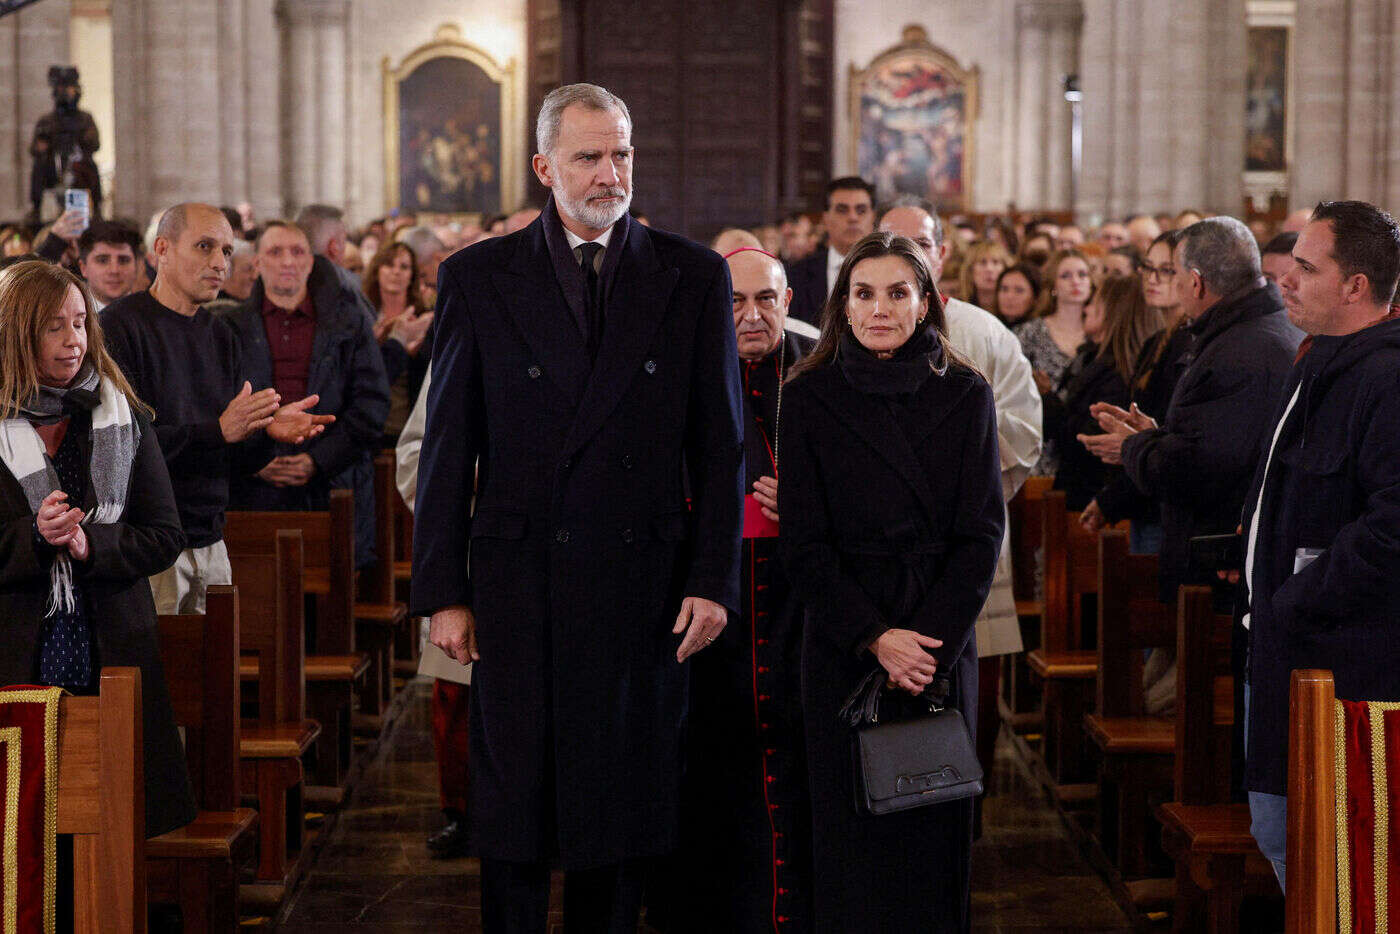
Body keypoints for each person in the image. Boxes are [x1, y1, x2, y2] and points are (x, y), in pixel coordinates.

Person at [411, 83, 743, 934]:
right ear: (543, 167)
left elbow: (720, 445)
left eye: (622, 154)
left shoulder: (694, 275)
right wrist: (443, 591)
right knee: (517, 807)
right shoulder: (478, 277)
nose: (609, 174)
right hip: (521, 581)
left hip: (645, 582)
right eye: (589, 157)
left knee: (620, 808)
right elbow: (450, 446)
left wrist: (714, 578)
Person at [778, 231, 1003, 933]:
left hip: (936, 641)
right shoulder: (809, 394)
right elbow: (804, 539)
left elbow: (980, 536)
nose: (881, 308)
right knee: (848, 844)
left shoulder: (966, 393)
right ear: (842, 305)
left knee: (931, 841)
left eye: (898, 292)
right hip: (846, 642)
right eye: (864, 293)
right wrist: (876, 636)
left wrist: (920, 644)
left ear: (926, 301)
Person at [0, 260, 195, 838]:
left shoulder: (120, 415)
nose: (74, 341)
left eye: (81, 322)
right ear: (15, 333)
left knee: (112, 823)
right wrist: (34, 537)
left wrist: (92, 544)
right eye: (54, 326)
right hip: (13, 652)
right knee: (21, 831)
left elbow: (164, 534)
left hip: (111, 645)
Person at [1240, 201, 1400, 888]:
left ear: (1355, 285)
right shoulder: (1318, 361)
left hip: (1341, 670)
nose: (1286, 279)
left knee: (1332, 869)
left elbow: (1391, 528)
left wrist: (1292, 598)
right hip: (1288, 653)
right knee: (1282, 840)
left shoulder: (1386, 379)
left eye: (1306, 267)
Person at [659, 246, 814, 933]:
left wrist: (810, 503)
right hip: (709, 595)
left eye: (766, 300)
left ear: (788, 303)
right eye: (735, 302)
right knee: (710, 760)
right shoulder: (680, 373)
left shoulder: (820, 378)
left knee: (792, 754)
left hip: (796, 603)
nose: (751, 316)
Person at [880, 204, 1041, 833]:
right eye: (894, 243)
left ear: (943, 256)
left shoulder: (983, 332)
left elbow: (1024, 436)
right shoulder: (861, 326)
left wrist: (960, 477)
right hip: (884, 554)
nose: (911, 254)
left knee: (971, 676)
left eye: (921, 243)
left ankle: (966, 805)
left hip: (968, 540)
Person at [102, 203, 333, 615]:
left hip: (210, 537)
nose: (219, 263)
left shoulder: (221, 334)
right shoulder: (121, 326)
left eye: (226, 251)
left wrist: (266, 432)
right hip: (148, 541)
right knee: (159, 676)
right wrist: (219, 431)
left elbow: (234, 453)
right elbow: (125, 446)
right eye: (205, 246)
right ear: (162, 250)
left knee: (216, 673)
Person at [1079, 217, 1301, 605]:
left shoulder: (1240, 353)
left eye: (1176, 276)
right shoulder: (1259, 329)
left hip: (1216, 573)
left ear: (1196, 282)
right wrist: (1154, 436)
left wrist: (1132, 447)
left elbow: (1199, 468)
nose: (1176, 288)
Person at [222, 220, 390, 568]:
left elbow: (371, 405)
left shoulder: (347, 323)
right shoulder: (230, 328)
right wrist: (257, 460)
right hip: (252, 492)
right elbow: (217, 407)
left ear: (311, 263)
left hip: (331, 483)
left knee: (331, 608)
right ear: (256, 263)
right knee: (255, 605)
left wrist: (317, 460)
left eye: (297, 252)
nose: (287, 262)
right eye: (275, 252)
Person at [1082, 231, 1191, 556]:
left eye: (1166, 270)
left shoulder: (1191, 343)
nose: (1152, 279)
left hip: (1165, 503)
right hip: (1144, 495)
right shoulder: (1157, 341)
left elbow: (1173, 434)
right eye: (1148, 268)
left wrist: (1111, 499)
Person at [1055, 275, 1162, 511]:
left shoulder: (1119, 373)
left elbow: (1088, 440)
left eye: (1094, 301)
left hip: (1099, 493)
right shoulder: (1090, 357)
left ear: (1113, 310)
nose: (1087, 308)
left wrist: (1049, 405)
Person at [1018, 249, 1093, 475]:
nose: (1075, 282)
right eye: (1066, 276)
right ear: (1053, 285)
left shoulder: (1100, 334)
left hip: (1085, 445)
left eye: (1082, 274)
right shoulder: (1031, 333)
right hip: (1041, 445)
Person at [365, 240, 434, 445]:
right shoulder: (365, 316)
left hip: (412, 424)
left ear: (412, 275)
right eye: (389, 264)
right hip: (372, 424)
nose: (396, 272)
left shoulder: (425, 318)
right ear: (377, 270)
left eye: (404, 267)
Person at [785, 177, 876, 325]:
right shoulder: (796, 275)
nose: (853, 218)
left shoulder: (890, 272)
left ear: (873, 217)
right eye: (842, 210)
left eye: (861, 210)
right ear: (826, 219)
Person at [76, 220, 142, 311]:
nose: (114, 270)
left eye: (123, 261)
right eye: (102, 261)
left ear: (136, 266)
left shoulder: (154, 316)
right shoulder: (65, 316)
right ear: (83, 268)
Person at [957, 240, 1011, 310]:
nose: (989, 269)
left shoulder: (1013, 312)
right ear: (970, 270)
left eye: (995, 262)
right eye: (983, 262)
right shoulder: (960, 308)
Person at [994, 263, 1041, 329]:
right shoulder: (991, 326)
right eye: (1004, 289)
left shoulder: (1038, 331)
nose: (1009, 296)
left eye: (1019, 290)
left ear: (1035, 297)